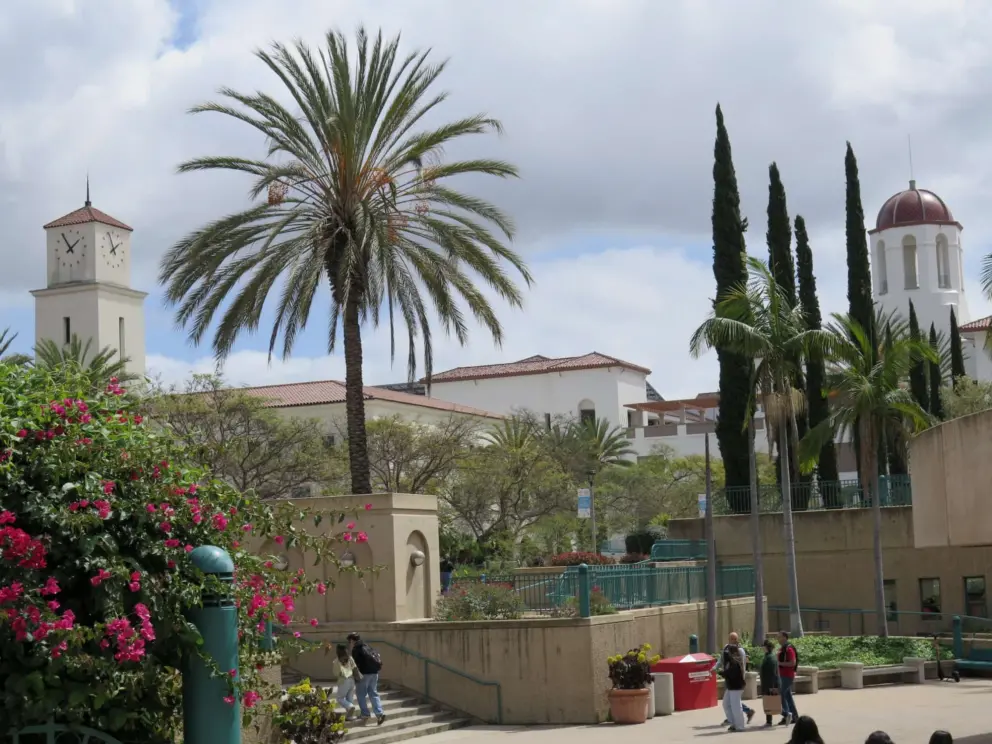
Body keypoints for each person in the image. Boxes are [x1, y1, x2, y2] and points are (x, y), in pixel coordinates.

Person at [347, 632, 386, 725]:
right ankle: (379, 713)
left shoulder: (356, 649)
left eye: (350, 641)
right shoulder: (367, 646)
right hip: (374, 673)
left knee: (360, 694)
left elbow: (355, 664)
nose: (350, 643)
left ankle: (365, 713)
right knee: (373, 693)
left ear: (352, 640)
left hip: (364, 674)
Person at [720, 632, 755, 726]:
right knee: (727, 703)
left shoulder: (738, 655)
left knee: (735, 704)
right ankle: (732, 721)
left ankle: (739, 725)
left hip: (736, 683)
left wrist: (724, 673)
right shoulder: (727, 651)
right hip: (731, 683)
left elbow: (737, 670)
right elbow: (724, 665)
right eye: (732, 639)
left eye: (735, 639)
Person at [330, 644, 360, 719]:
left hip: (344, 680)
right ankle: (350, 716)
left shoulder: (336, 661)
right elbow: (355, 668)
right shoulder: (350, 658)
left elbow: (336, 673)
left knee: (340, 698)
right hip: (351, 680)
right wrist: (357, 678)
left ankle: (350, 706)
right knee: (349, 698)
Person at [777, 631, 799, 725]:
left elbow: (792, 662)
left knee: (781, 694)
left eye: (779, 637)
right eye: (777, 637)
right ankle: (794, 716)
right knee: (788, 696)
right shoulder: (782, 649)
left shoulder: (789, 649)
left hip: (787, 675)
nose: (778, 639)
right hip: (782, 675)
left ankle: (787, 715)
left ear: (785, 637)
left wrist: (780, 664)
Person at [759, 638, 779, 727]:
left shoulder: (770, 658)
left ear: (766, 647)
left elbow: (772, 673)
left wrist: (772, 685)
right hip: (768, 683)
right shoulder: (769, 656)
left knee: (770, 703)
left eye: (763, 646)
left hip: (769, 683)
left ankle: (785, 714)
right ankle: (769, 721)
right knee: (770, 703)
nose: (762, 648)